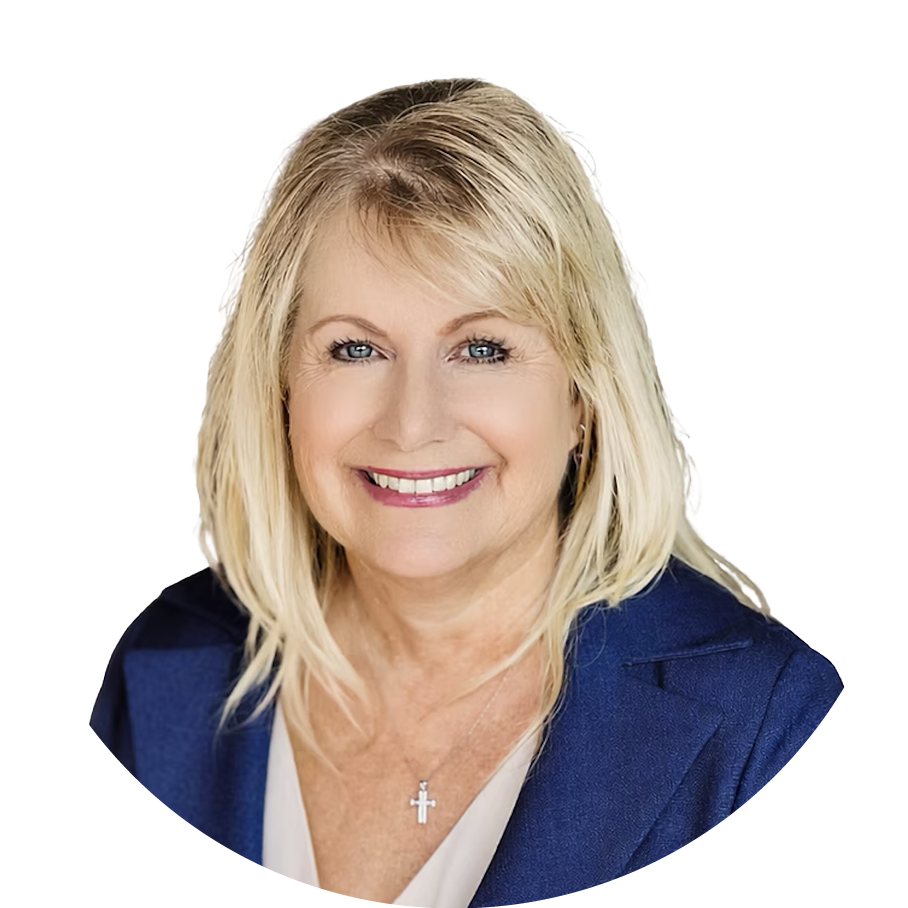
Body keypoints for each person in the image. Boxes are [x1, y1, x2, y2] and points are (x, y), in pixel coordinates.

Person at [90, 78, 842, 906]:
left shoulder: (767, 727)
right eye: (354, 350)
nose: (413, 424)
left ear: (584, 396)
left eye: (482, 349)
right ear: (280, 387)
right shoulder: (161, 672)